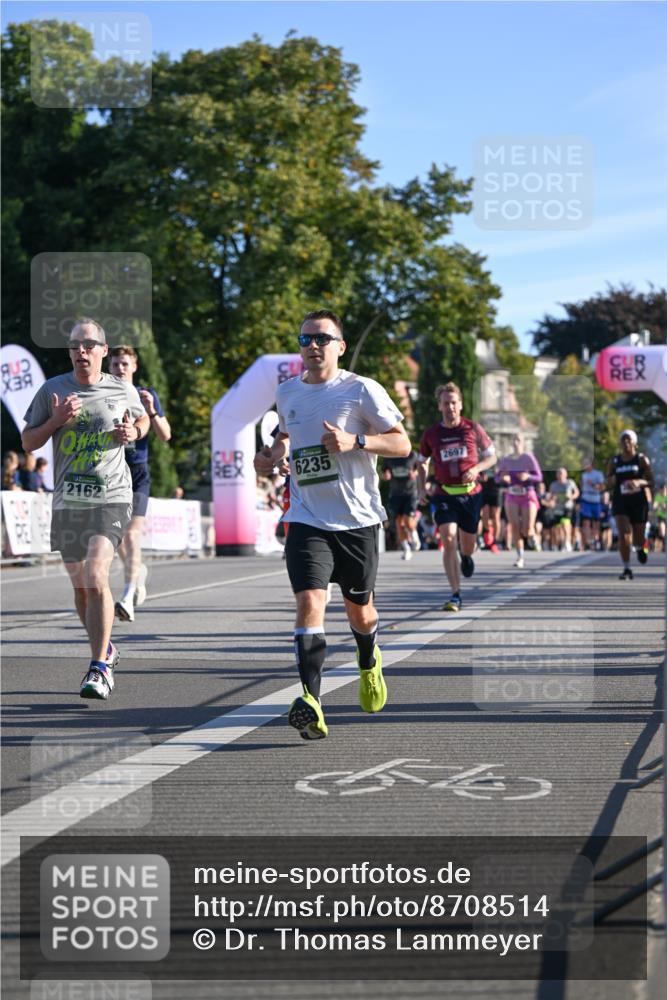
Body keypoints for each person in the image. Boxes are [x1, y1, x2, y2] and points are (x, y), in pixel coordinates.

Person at [254, 309, 411, 741]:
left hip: (357, 520)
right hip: (306, 517)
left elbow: (401, 443)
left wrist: (355, 441)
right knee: (310, 604)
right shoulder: (287, 393)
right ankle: (311, 701)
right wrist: (270, 456)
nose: (313, 347)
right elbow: (283, 436)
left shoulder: (361, 390)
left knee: (360, 612)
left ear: (340, 346)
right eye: (305, 340)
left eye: (322, 339)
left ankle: (368, 659)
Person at [21, 319, 148, 699]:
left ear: (103, 352)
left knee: (96, 572)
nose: (82, 351)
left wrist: (134, 433)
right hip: (68, 499)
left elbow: (141, 419)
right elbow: (28, 441)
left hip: (112, 495)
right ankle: (106, 648)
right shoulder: (52, 390)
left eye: (90, 345)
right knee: (81, 587)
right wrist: (56, 421)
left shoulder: (121, 389)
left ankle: (99, 667)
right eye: (75, 345)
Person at [417, 383, 496, 611]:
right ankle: (455, 595)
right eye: (445, 403)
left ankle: (468, 556)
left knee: (467, 543)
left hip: (471, 494)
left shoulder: (472, 429)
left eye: (454, 402)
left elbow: (492, 456)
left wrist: (478, 468)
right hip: (444, 494)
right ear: (439, 406)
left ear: (460, 404)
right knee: (448, 538)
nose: (450, 407)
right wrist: (422, 489)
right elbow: (422, 462)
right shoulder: (432, 434)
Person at [108, 345, 171, 621]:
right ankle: (138, 573)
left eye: (124, 364)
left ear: (134, 366)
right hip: (109, 472)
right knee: (117, 538)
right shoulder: (103, 394)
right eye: (115, 364)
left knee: (131, 534)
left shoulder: (146, 394)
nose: (120, 368)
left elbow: (166, 435)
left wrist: (151, 411)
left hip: (137, 472)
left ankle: (128, 593)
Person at [607, 430, 654, 580]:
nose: (626, 442)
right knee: (624, 534)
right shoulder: (614, 461)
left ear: (634, 442)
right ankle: (627, 567)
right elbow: (607, 482)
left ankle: (642, 547)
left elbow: (651, 481)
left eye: (628, 440)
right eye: (623, 440)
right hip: (621, 501)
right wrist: (611, 482)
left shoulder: (641, 460)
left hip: (638, 502)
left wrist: (640, 482)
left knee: (638, 538)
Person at [495, 433, 542, 568]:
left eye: (518, 440)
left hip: (528, 495)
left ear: (523, 443)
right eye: (514, 440)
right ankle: (520, 557)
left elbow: (539, 477)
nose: (516, 442)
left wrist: (527, 477)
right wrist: (503, 479)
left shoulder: (529, 458)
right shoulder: (506, 460)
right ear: (511, 443)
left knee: (527, 529)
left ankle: (532, 536)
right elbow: (497, 478)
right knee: (514, 526)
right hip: (512, 495)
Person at [382, 450, 421, 560]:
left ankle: (414, 535)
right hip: (395, 494)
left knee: (408, 520)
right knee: (399, 522)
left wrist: (415, 473)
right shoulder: (389, 455)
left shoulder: (412, 455)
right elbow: (384, 472)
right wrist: (386, 475)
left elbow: (420, 468)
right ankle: (406, 549)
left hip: (410, 493)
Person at [547, 467, 579, 551]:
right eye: (559, 473)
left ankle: (567, 542)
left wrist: (571, 497)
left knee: (566, 524)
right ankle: (559, 543)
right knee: (557, 527)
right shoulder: (553, 485)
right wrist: (551, 501)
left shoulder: (570, 483)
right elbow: (551, 496)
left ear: (566, 474)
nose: (560, 475)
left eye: (562, 473)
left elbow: (576, 492)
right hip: (557, 508)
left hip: (567, 507)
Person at [579, 457, 606, 550]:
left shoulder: (598, 474)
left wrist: (593, 485)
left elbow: (602, 487)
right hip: (586, 499)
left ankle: (595, 540)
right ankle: (588, 541)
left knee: (596, 523)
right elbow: (581, 487)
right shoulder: (583, 475)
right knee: (586, 522)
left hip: (595, 499)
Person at [479, 470, 500, 553]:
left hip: (496, 490)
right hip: (484, 490)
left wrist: (498, 476)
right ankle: (488, 532)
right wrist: (479, 477)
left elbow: (506, 475)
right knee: (485, 516)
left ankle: (495, 542)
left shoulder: (499, 459)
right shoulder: (481, 458)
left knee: (495, 516)